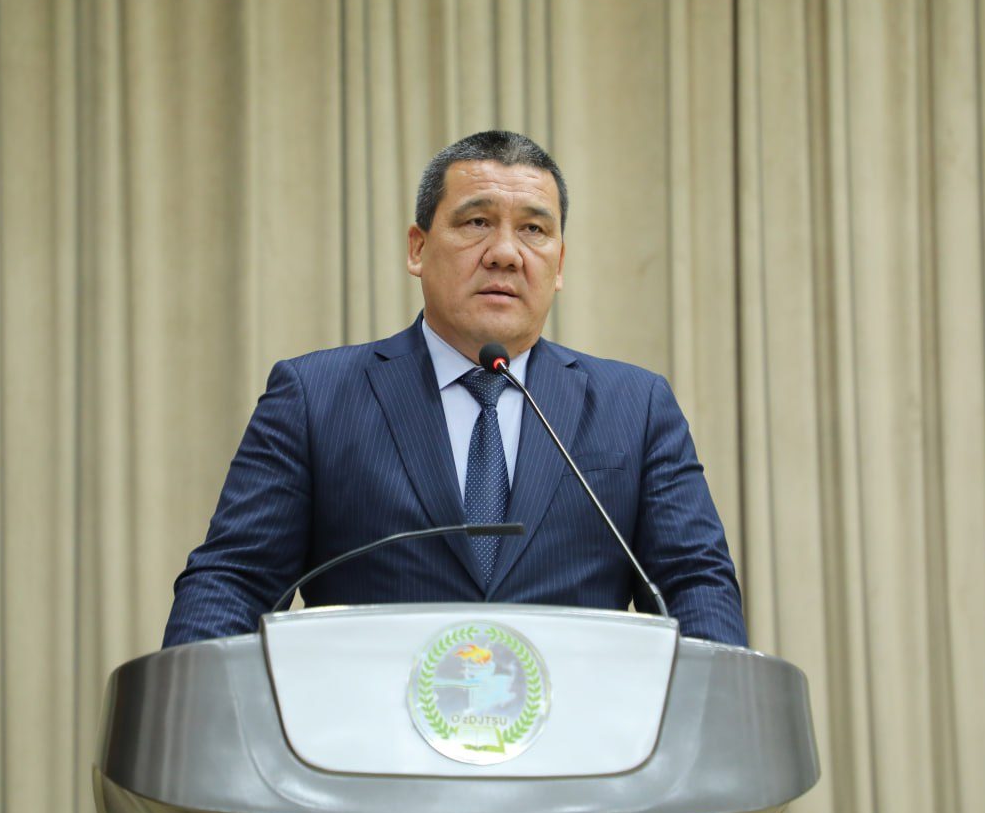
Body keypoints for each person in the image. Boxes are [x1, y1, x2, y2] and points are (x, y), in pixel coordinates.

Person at [162, 131, 747, 648]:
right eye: (476, 223)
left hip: (576, 734)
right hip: (369, 734)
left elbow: (695, 585)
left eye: (534, 230)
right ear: (418, 248)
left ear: (560, 263)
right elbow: (234, 581)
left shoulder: (635, 407)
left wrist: (718, 715)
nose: (506, 254)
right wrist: (190, 712)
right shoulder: (315, 398)